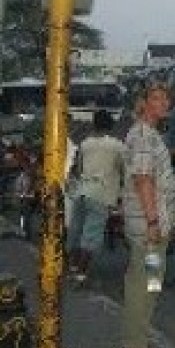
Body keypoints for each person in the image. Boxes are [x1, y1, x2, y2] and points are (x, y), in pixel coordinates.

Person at [122, 82, 175, 348]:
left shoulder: (150, 133)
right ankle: (135, 342)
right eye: (156, 98)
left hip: (156, 224)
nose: (163, 103)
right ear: (143, 103)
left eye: (166, 99)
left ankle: (142, 335)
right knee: (143, 284)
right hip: (148, 227)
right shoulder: (143, 136)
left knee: (151, 281)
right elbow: (143, 179)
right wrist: (152, 222)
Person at [66, 109, 126, 284]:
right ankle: (80, 274)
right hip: (101, 195)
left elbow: (78, 169)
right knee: (91, 236)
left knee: (75, 231)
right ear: (111, 125)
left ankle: (73, 267)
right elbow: (125, 170)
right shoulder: (117, 145)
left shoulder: (85, 144)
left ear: (94, 125)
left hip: (81, 192)